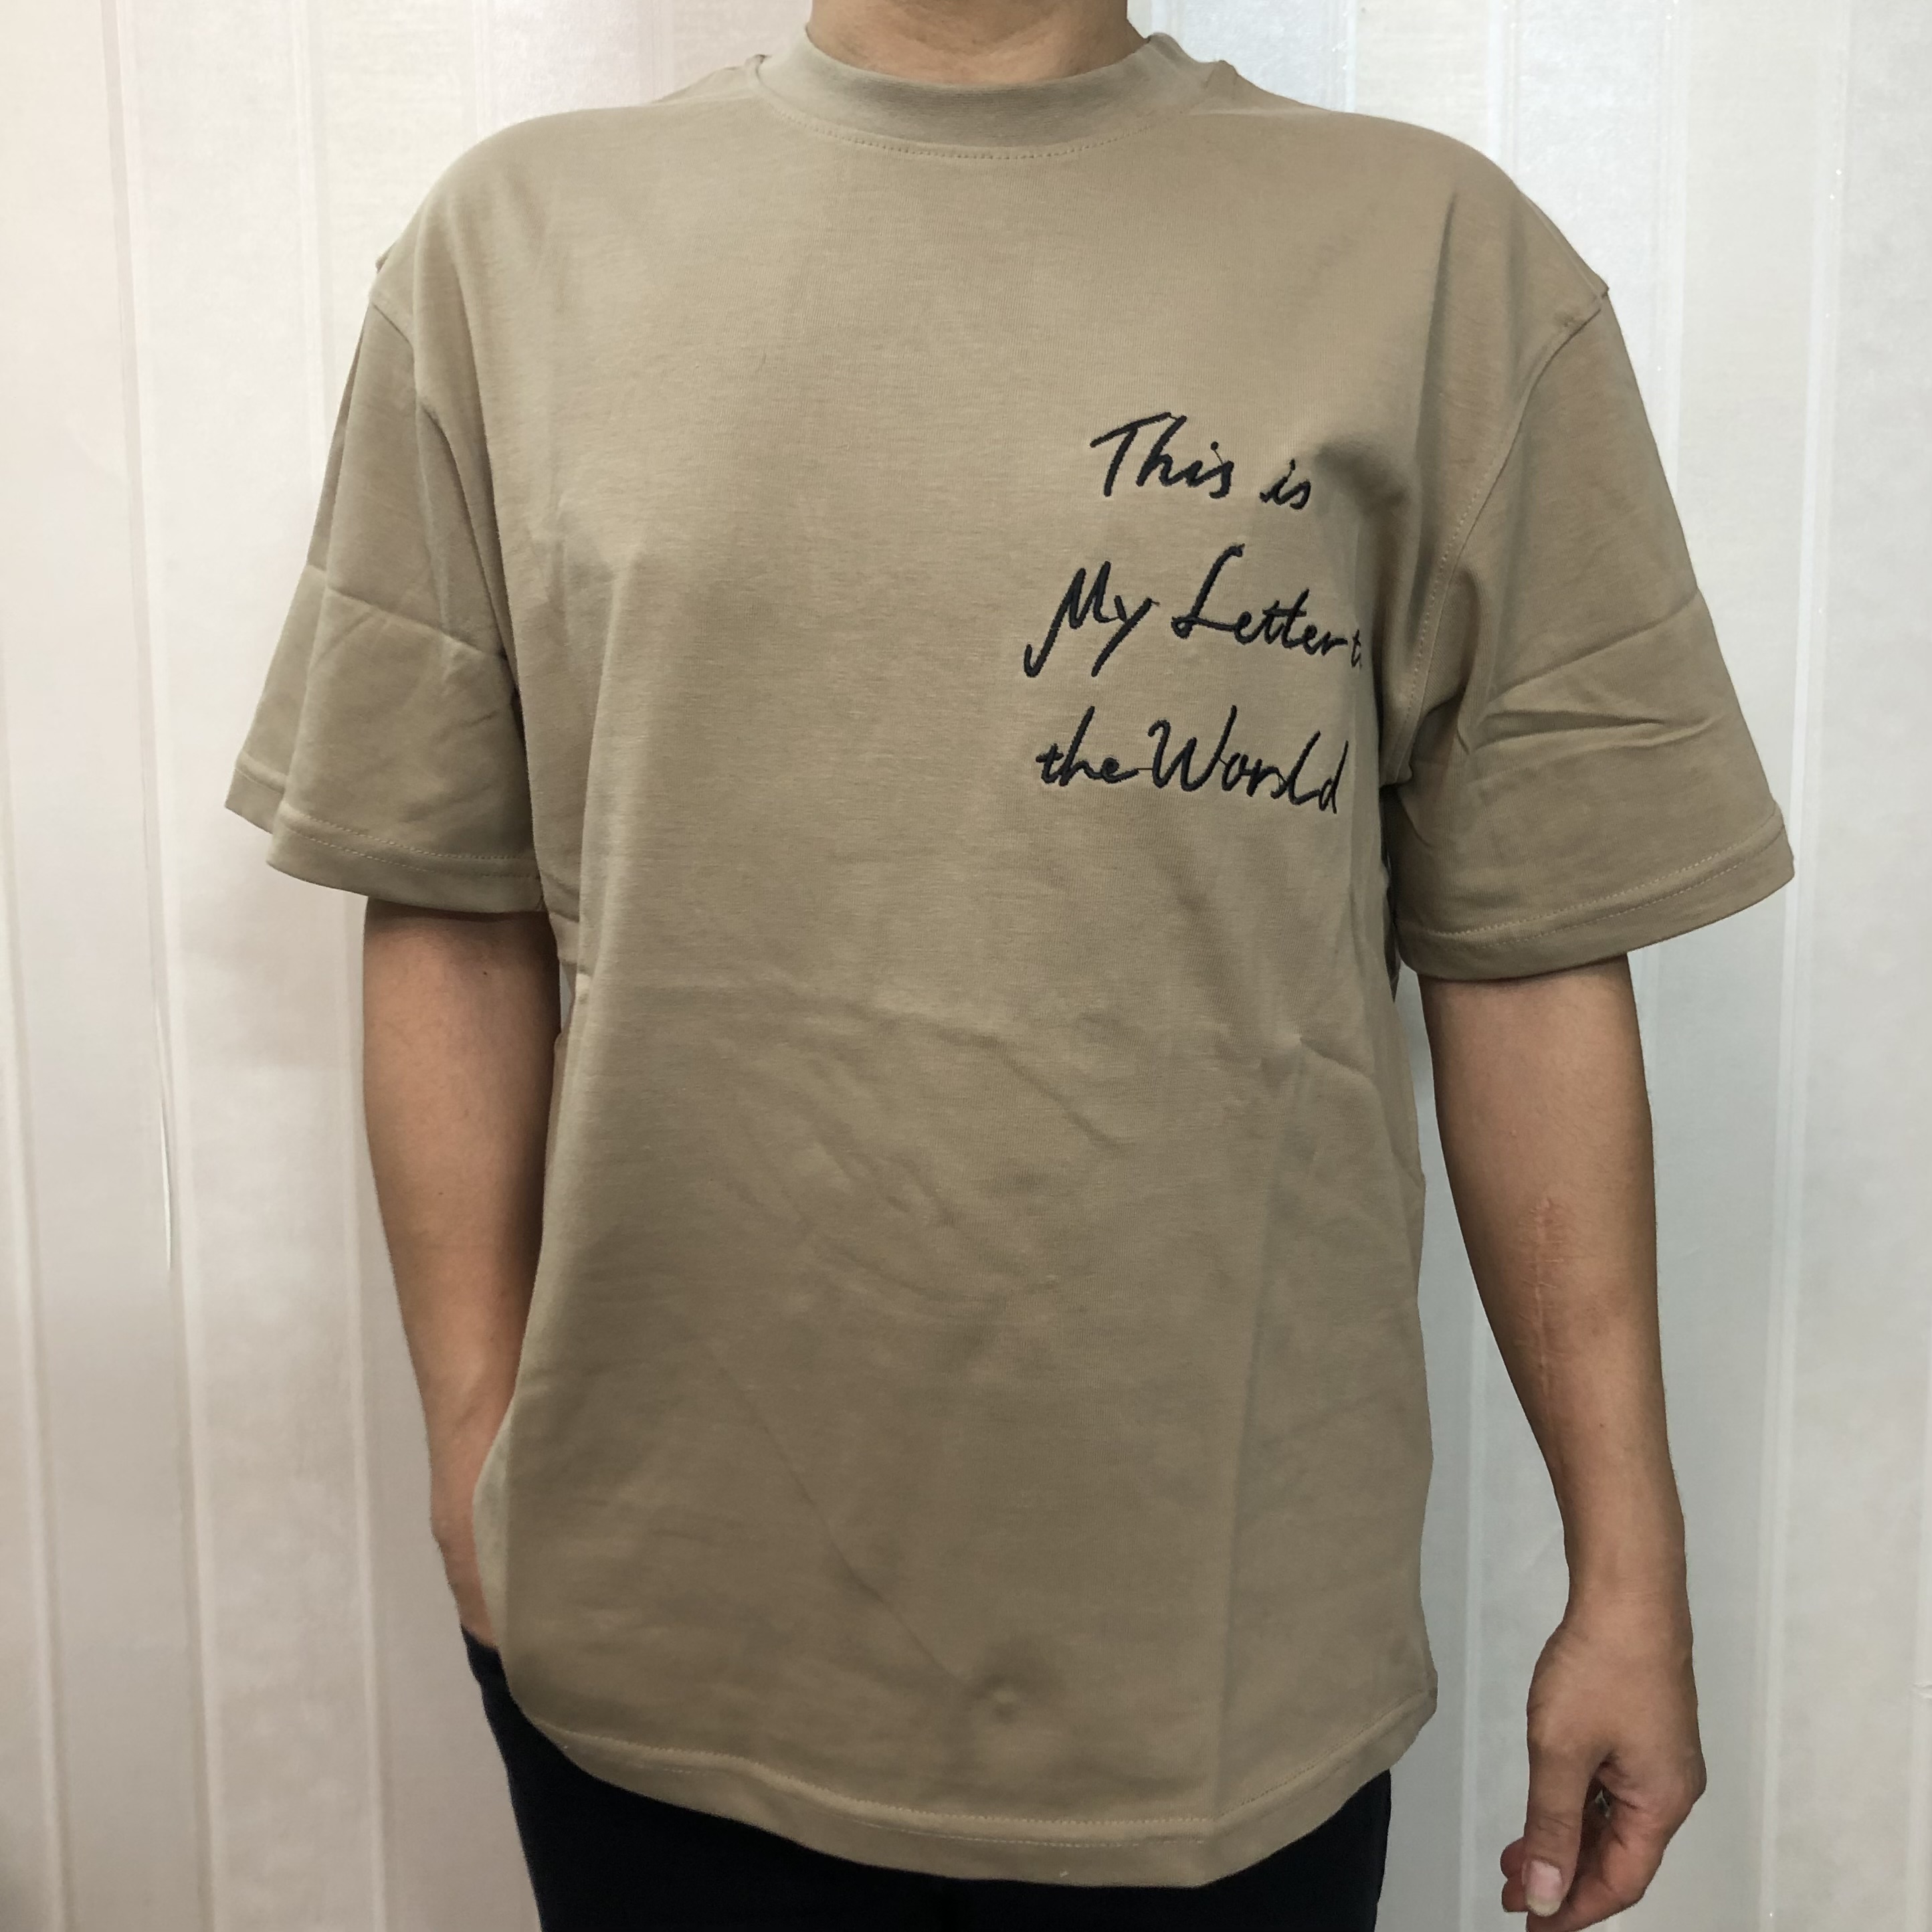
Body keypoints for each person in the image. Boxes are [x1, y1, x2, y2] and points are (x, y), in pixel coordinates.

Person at [223, 1, 1794, 1925]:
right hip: (657, 1649)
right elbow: (444, 889)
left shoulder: (1440, 265)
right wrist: (477, 1451)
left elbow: (1529, 956)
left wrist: (1628, 1573)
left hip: (1217, 1680)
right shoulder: (514, 250)